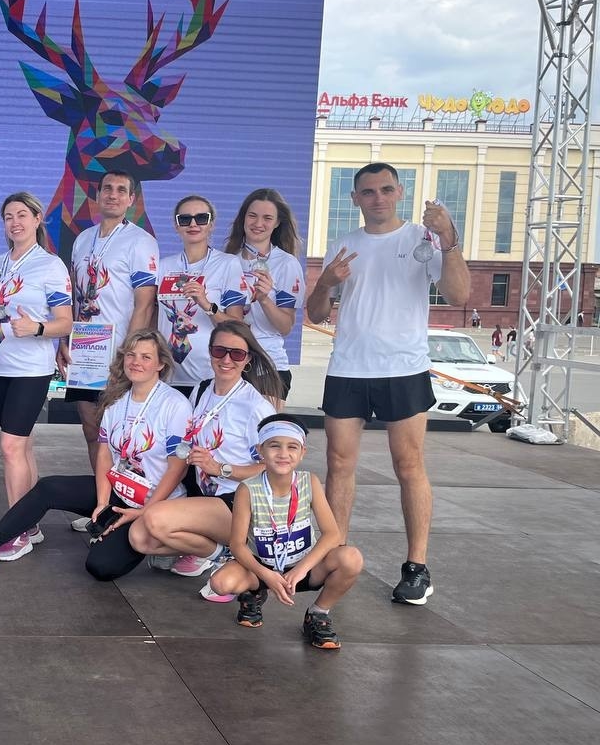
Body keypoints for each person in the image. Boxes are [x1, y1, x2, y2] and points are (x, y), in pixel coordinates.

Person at [306, 162, 470, 605]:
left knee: (409, 465)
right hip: (348, 367)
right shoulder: (344, 244)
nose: (377, 198)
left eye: (385, 189)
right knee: (338, 465)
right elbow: (316, 313)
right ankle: (336, 555)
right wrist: (325, 283)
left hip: (403, 368)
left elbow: (459, 295)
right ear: (355, 198)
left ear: (399, 192)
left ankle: (417, 567)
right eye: (368, 191)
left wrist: (449, 239)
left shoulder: (424, 238)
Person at [0, 330, 192, 576]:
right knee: (48, 488)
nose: (136, 362)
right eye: (131, 355)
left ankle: (161, 540)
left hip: (156, 504)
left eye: (146, 357)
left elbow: (178, 468)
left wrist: (145, 511)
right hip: (120, 493)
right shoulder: (117, 400)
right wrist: (103, 503)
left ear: (160, 364)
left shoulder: (174, 404)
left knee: (101, 567)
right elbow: (104, 455)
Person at [91, 321, 281, 586]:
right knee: (140, 538)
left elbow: (275, 471)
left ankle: (240, 553)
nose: (226, 359)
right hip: (203, 496)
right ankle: (221, 554)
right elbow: (185, 442)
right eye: (219, 351)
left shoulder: (256, 407)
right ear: (210, 352)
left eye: (237, 354)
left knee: (154, 518)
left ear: (247, 359)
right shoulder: (202, 391)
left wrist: (221, 469)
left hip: (239, 501)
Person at [207, 414, 364, 650]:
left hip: (303, 567)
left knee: (351, 558)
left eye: (292, 447)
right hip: (263, 567)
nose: (283, 453)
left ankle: (318, 613)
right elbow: (237, 544)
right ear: (260, 450)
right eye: (274, 446)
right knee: (221, 583)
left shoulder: (308, 482)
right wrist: (265, 574)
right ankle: (254, 592)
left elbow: (332, 534)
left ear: (302, 453)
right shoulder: (247, 489)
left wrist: (302, 569)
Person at [0, 192, 74, 556]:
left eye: (22, 214)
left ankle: (15, 531)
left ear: (38, 219)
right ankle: (31, 520)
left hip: (31, 369)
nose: (15, 222)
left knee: (10, 446)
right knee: (22, 445)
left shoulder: (51, 265)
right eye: (8, 216)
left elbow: (65, 321)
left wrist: (36, 328)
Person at [62, 170, 160, 472]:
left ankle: (123, 496)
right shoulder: (82, 239)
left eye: (121, 190)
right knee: (91, 429)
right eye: (107, 189)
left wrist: (128, 355)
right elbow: (75, 297)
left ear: (131, 199)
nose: (113, 195)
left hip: (118, 352)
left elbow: (145, 304)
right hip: (85, 352)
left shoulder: (141, 242)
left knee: (120, 433)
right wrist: (66, 341)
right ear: (97, 195)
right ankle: (101, 496)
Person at [157, 195, 248, 394]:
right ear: (176, 226)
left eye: (201, 218)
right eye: (184, 219)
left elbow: (237, 327)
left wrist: (207, 305)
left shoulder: (227, 264)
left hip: (208, 376)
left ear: (211, 224)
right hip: (166, 376)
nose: (193, 224)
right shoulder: (163, 266)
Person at [224, 188, 306, 407]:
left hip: (268, 365)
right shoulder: (226, 260)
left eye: (267, 218)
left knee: (264, 429)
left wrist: (264, 299)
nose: (258, 223)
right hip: (227, 360)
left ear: (277, 223)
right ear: (243, 218)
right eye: (252, 216)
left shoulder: (286, 264)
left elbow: (285, 327)